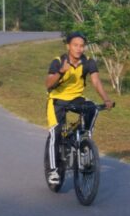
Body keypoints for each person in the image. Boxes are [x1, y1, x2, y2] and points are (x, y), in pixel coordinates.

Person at [45, 31, 114, 185]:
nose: (79, 49)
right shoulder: (58, 61)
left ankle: (83, 141)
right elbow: (48, 84)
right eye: (75, 45)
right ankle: (54, 170)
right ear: (68, 46)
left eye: (82, 46)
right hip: (57, 100)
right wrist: (60, 73)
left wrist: (106, 99)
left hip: (76, 98)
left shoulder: (88, 62)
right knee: (56, 133)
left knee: (92, 108)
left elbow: (96, 82)